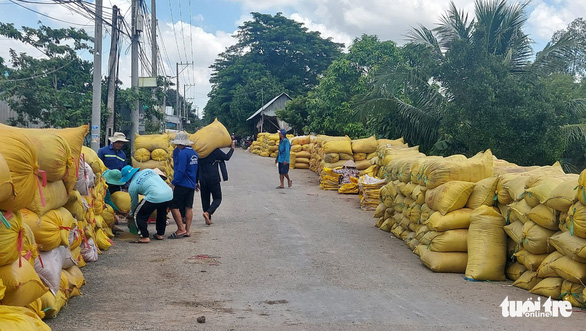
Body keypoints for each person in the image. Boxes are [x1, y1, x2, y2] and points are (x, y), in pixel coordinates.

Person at [120, 165, 173, 243]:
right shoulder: (149, 170)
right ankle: (160, 234)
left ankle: (144, 236)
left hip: (155, 195)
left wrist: (131, 214)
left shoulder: (133, 185)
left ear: (127, 179)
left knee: (138, 215)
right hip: (169, 193)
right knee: (161, 213)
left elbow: (134, 203)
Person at [168, 131, 198, 239]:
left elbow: (180, 170)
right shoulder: (194, 153)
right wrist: (195, 182)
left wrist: (173, 183)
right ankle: (188, 230)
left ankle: (181, 229)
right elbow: (195, 170)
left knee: (173, 206)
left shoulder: (182, 153)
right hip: (191, 184)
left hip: (182, 183)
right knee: (188, 207)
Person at [197, 140, 235, 225]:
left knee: (205, 199)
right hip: (213, 178)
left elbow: (197, 167)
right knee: (218, 198)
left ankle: (208, 218)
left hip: (202, 179)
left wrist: (196, 181)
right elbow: (226, 157)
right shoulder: (214, 150)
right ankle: (208, 213)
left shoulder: (200, 151)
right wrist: (232, 149)